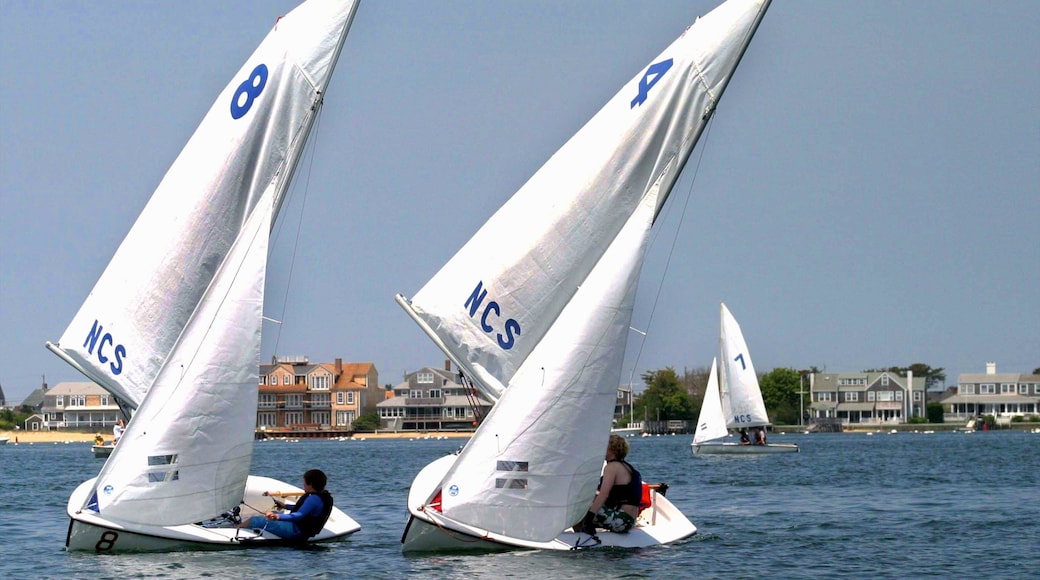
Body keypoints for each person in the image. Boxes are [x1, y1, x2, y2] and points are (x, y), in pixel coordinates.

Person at [237, 469, 334, 541]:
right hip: (301, 531)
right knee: (270, 513)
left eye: (304, 483)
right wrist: (285, 506)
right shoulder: (321, 497)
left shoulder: (313, 498)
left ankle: (235, 529)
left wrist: (277, 516)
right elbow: (305, 510)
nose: (303, 485)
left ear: (310, 484)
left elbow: (298, 515)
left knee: (254, 520)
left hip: (296, 532)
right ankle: (242, 526)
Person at [577, 434, 642, 535]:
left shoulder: (612, 467)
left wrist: (589, 519)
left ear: (612, 450)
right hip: (629, 521)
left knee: (575, 510)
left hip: (620, 520)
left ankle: (582, 536)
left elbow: (604, 494)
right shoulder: (626, 466)